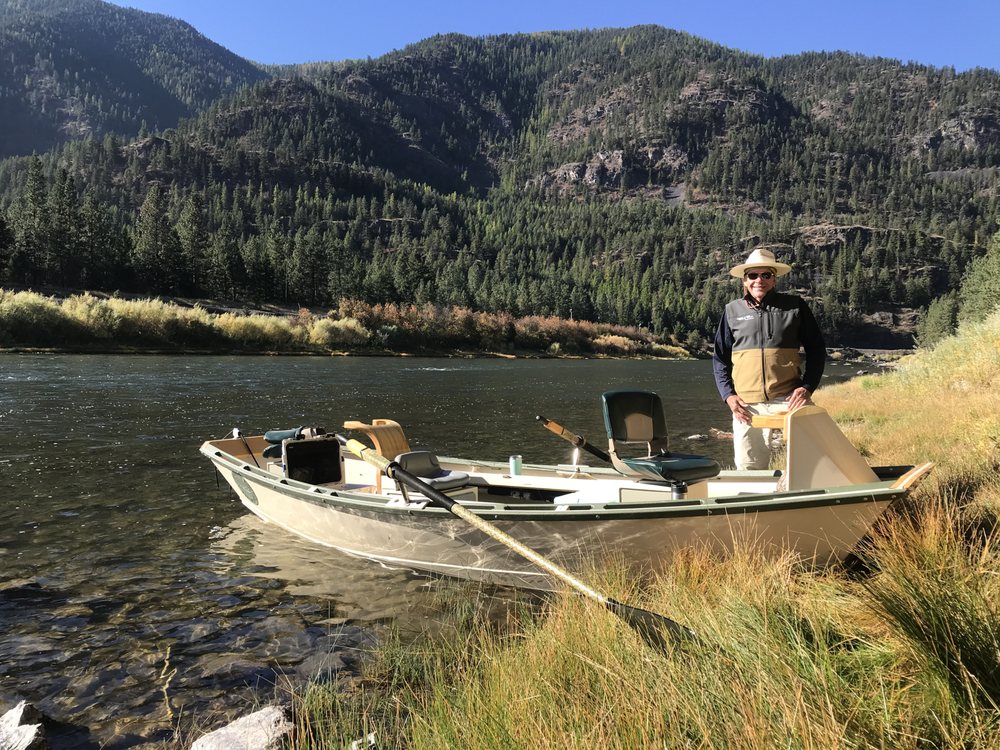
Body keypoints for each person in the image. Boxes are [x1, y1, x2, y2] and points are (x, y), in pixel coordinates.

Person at [712, 247, 825, 470]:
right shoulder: (732, 311)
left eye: (766, 275)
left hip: (789, 398)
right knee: (749, 467)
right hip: (746, 403)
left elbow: (817, 351)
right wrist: (728, 396)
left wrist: (807, 387)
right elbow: (720, 359)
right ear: (744, 280)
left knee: (810, 459)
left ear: (774, 279)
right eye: (753, 275)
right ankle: (755, 504)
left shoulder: (795, 307)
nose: (759, 281)